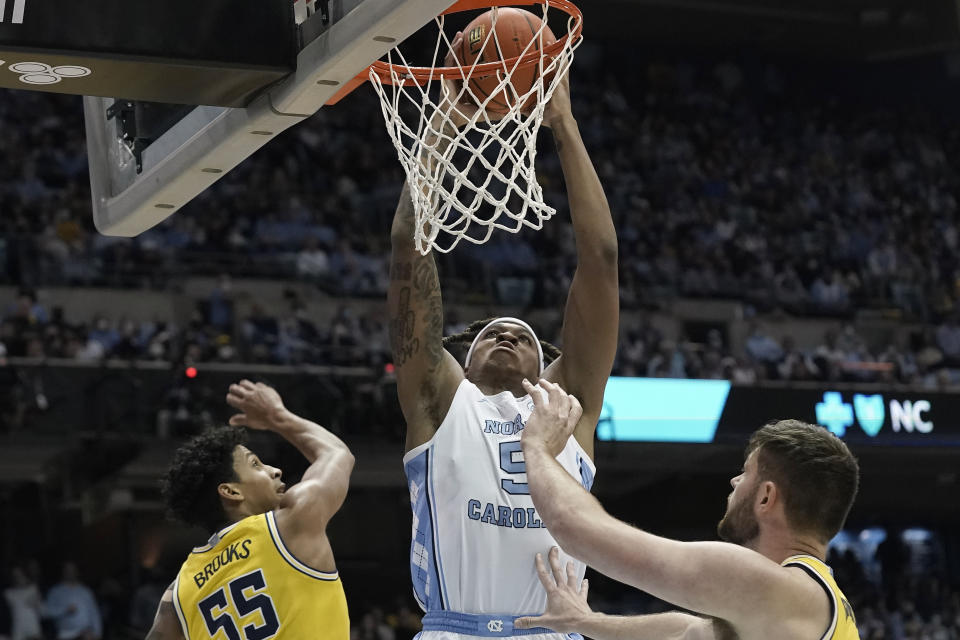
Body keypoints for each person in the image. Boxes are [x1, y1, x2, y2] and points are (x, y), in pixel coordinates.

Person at [388, 36, 619, 639]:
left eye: (522, 335)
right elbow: (409, 254)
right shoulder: (441, 402)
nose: (508, 334)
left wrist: (564, 126)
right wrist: (442, 123)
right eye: (492, 333)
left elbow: (601, 259)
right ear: (461, 359)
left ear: (549, 370)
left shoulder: (569, 408)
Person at [517, 379, 861, 640]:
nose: (734, 482)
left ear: (766, 498)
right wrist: (587, 622)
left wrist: (537, 446)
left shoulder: (778, 588)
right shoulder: (809, 603)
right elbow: (687, 631)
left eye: (746, 473)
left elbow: (577, 529)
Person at [144, 380, 354, 639]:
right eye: (256, 465)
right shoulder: (292, 522)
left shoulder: (177, 594)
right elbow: (336, 454)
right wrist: (278, 417)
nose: (274, 470)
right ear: (231, 491)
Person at [43, 562, 102, 640]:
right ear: (63, 572)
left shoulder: (85, 591)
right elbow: (46, 612)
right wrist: (64, 610)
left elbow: (94, 613)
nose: (70, 573)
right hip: (65, 634)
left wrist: (97, 633)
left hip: (86, 634)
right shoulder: (55, 591)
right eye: (67, 570)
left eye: (73, 570)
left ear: (77, 572)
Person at [4, 566, 42, 640]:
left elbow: (41, 612)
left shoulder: (33, 589)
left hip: (34, 630)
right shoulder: (8, 593)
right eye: (15, 576)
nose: (19, 578)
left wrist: (38, 604)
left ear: (25, 575)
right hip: (18, 631)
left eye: (21, 575)